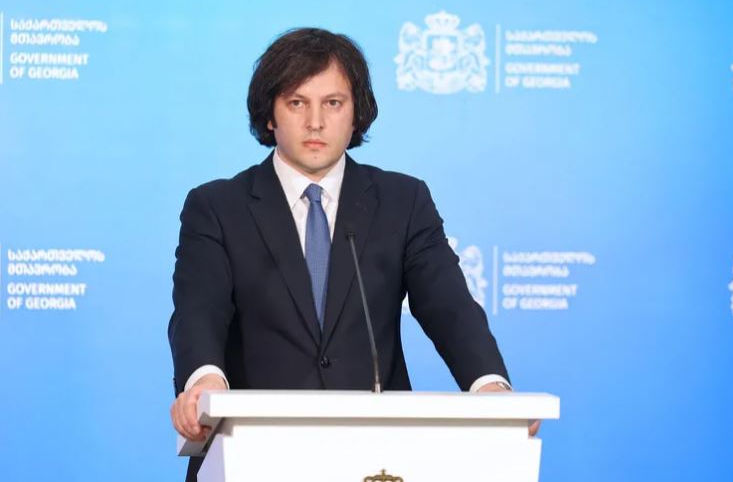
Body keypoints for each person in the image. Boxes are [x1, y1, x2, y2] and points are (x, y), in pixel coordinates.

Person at [168, 28, 537, 481]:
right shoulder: (217, 206)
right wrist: (204, 381)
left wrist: (488, 385)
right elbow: (198, 309)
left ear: (356, 113)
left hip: (378, 457)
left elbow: (448, 305)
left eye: (333, 103)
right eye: (297, 102)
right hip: (250, 454)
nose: (315, 122)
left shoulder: (403, 201)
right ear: (270, 115)